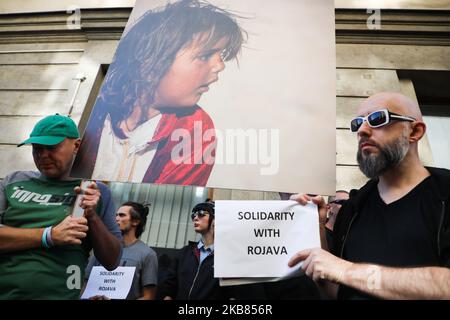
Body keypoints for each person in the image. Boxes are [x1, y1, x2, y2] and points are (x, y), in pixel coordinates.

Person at [289, 92, 450, 299]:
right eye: (357, 123)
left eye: (377, 119)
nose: (363, 131)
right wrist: (315, 226)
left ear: (415, 131)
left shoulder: (444, 193)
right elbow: (334, 293)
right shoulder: (352, 209)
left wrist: (347, 271)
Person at [71, 0, 246, 186]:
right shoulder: (100, 111)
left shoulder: (195, 127)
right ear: (148, 61)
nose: (220, 66)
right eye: (204, 56)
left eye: (220, 57)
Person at [0, 114, 122, 299]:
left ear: (76, 146)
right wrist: (49, 235)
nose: (43, 155)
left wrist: (92, 216)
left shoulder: (94, 191)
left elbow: (112, 261)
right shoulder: (12, 182)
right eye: (36, 149)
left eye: (51, 147)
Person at [84, 201, 158, 300]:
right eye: (116, 215)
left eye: (122, 215)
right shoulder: (102, 249)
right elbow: (85, 283)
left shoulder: (147, 254)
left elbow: (149, 296)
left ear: (135, 221)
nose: (116, 218)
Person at [161, 200, 229, 299]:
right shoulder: (184, 253)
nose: (195, 218)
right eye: (194, 215)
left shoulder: (226, 256)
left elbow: (231, 292)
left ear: (215, 220)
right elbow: (170, 287)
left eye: (201, 214)